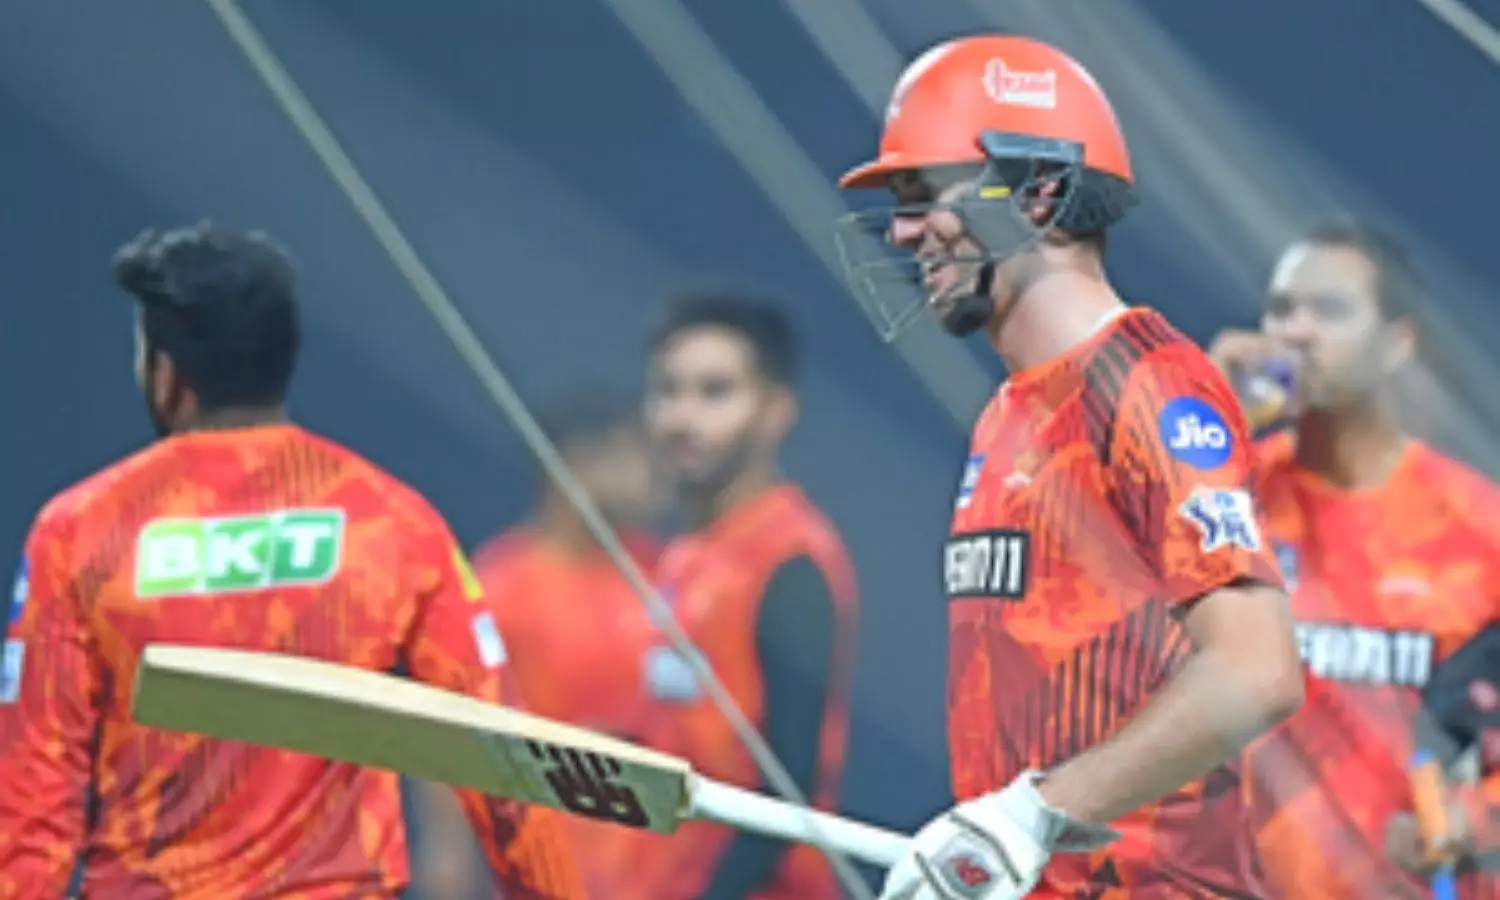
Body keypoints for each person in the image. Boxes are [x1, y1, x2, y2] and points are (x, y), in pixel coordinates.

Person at [834, 35, 1304, 899]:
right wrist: (991, 841)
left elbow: (1257, 669)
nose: (902, 232)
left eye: (925, 195)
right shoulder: (1007, 412)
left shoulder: (1148, 383)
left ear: (1040, 191)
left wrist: (1031, 815)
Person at [0, 223, 584, 899]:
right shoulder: (389, 521)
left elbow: (33, 798)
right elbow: (501, 760)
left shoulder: (81, 532)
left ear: (166, 375)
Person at [1209, 219, 1500, 898]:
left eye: (1330, 310)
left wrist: (1469, 820)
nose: (1296, 331)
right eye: (1281, 308)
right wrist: (1203, 421)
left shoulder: (1479, 528)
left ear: (1398, 343)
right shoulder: (1222, 498)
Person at [595, 292, 860, 900]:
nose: (682, 417)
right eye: (668, 390)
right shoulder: (684, 553)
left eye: (714, 393)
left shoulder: (790, 559)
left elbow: (789, 784)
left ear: (775, 410)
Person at [412, 389, 665, 900]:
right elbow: (449, 721)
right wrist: (447, 846)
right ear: (578, 466)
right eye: (631, 456)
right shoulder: (504, 583)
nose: (653, 473)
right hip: (546, 857)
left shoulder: (660, 572)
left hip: (650, 862)